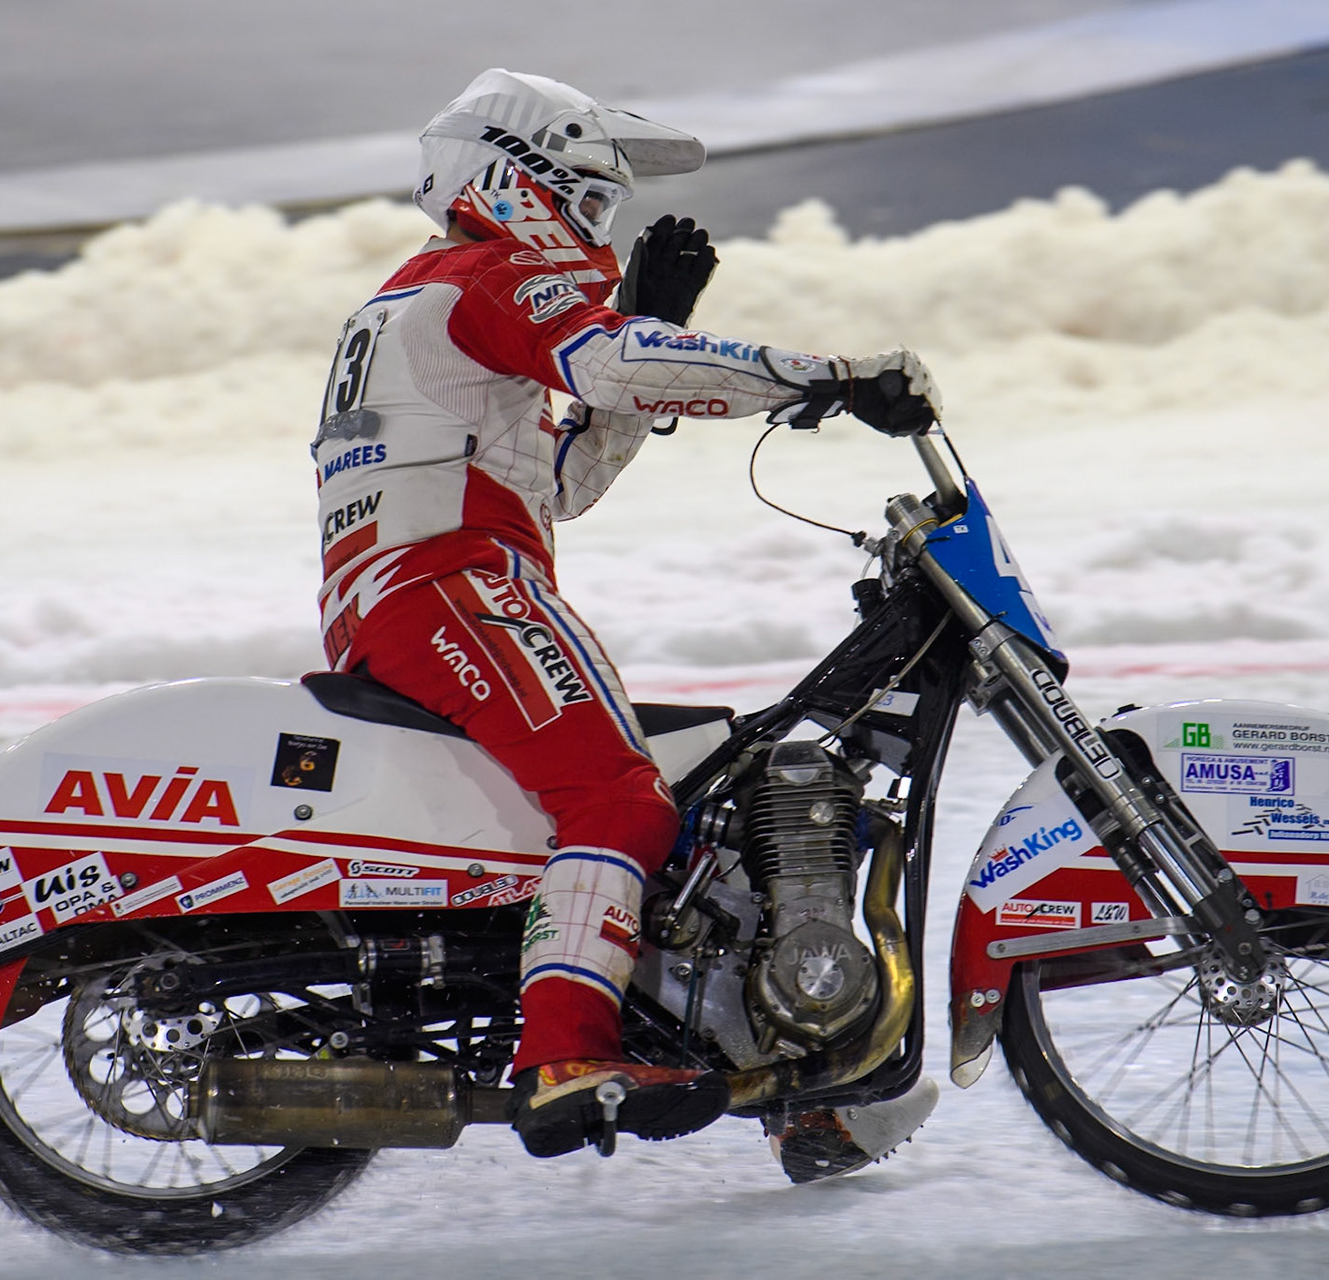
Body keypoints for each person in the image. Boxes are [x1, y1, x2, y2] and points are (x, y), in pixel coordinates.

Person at [311, 68, 940, 1161]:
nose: (597, 231)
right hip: (449, 583)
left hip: (437, 582)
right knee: (616, 792)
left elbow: (559, 484)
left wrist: (643, 334)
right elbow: (616, 360)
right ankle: (564, 1054)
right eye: (588, 201)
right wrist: (822, 377)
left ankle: (799, 1083)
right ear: (517, 181)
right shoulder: (489, 272)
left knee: (690, 793)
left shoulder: (438, 289)